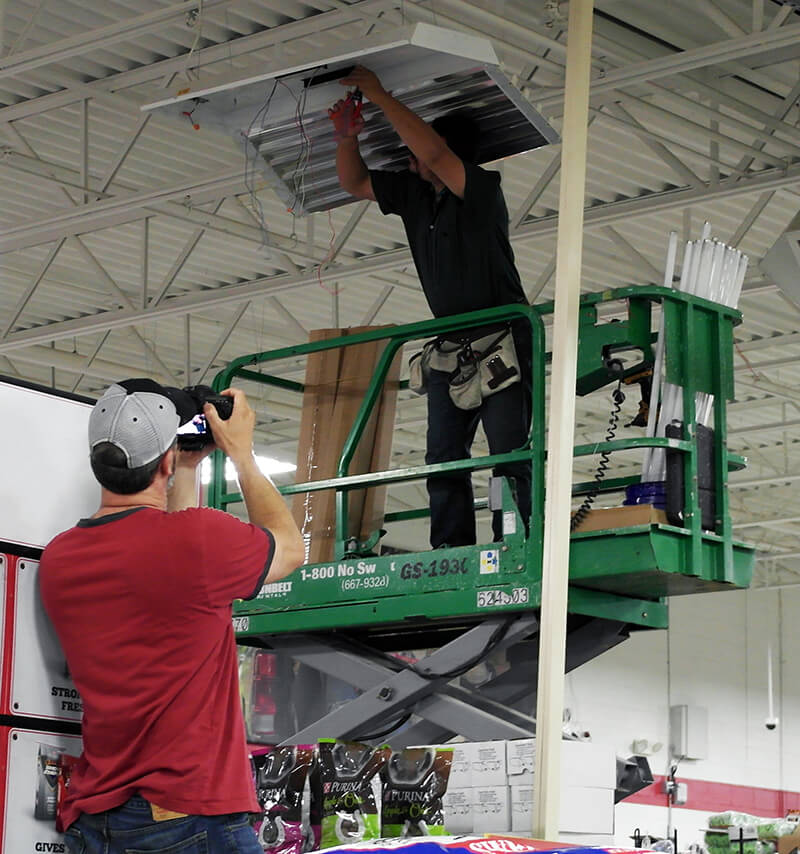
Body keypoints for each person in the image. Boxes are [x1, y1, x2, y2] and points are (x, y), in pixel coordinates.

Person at [39, 378, 304, 853]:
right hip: (188, 816)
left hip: (98, 818)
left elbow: (169, 555)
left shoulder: (61, 558)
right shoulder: (197, 544)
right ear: (163, 461)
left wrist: (185, 466)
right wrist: (241, 453)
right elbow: (288, 548)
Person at [330, 66, 532, 547]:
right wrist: (346, 138)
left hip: (501, 338)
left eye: (420, 146)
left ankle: (523, 538)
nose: (410, 155)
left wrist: (380, 94)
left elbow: (436, 153)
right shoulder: (416, 198)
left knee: (507, 453)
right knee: (443, 457)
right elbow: (354, 181)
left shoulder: (481, 191)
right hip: (451, 348)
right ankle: (451, 547)